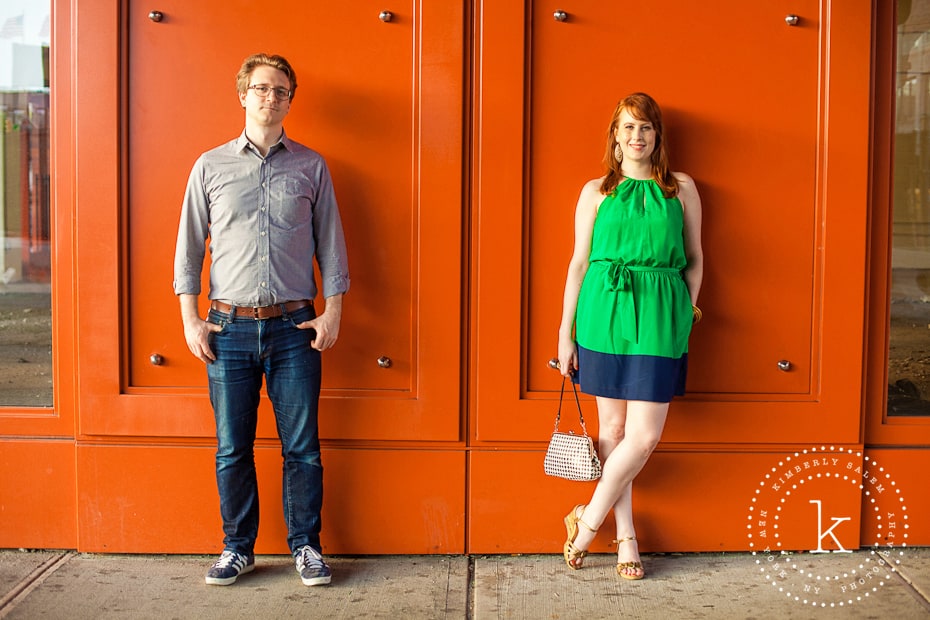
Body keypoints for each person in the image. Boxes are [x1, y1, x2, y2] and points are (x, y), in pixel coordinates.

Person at [173, 53, 349, 587]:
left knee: (302, 447)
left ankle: (306, 547)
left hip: (295, 329)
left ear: (290, 99)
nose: (271, 97)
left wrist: (332, 313)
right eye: (261, 88)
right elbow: (187, 251)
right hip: (226, 330)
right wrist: (190, 321)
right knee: (233, 446)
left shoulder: (311, 166)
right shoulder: (210, 165)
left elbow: (331, 247)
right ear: (243, 95)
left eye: (281, 90)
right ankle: (237, 547)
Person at [555, 93, 703, 580]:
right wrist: (565, 333)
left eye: (645, 128)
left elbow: (696, 258)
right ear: (615, 138)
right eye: (627, 128)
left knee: (643, 437)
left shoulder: (680, 188)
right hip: (605, 312)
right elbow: (578, 264)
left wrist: (687, 310)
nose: (636, 136)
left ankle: (587, 522)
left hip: (661, 315)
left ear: (657, 137)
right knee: (614, 433)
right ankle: (626, 539)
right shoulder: (597, 190)